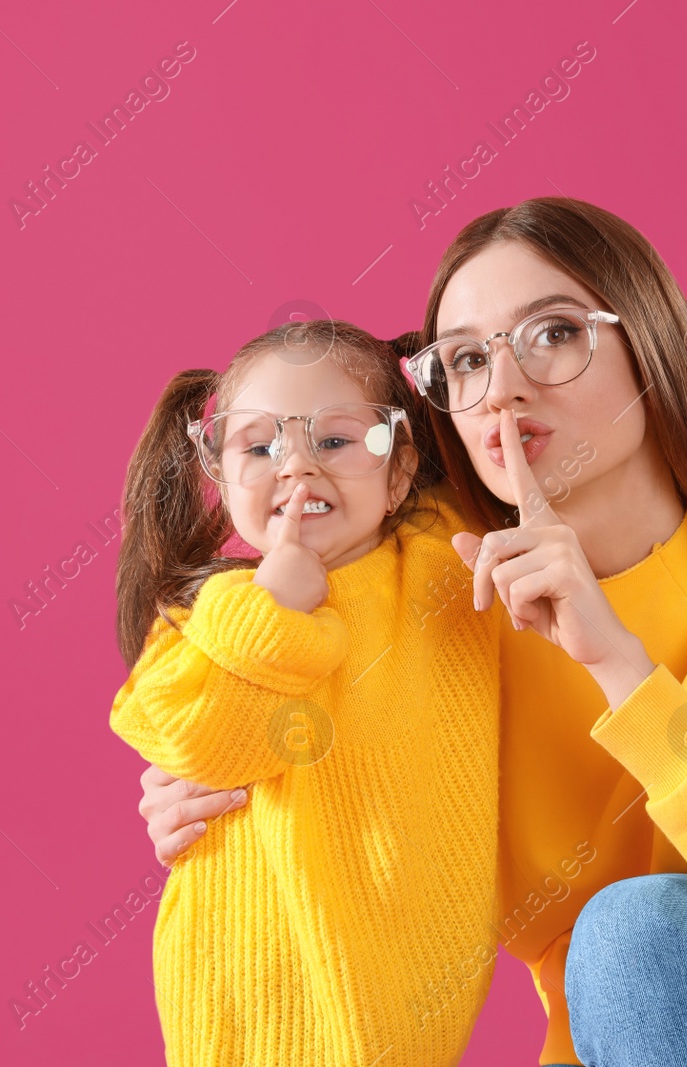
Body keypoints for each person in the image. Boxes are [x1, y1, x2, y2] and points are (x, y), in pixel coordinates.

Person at [137, 198, 687, 1066]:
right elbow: (308, 736)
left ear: (651, 345)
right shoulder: (438, 588)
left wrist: (621, 665)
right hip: (621, 1030)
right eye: (466, 359)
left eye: (552, 334)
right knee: (628, 943)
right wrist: (215, 782)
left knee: (635, 930)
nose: (503, 386)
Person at [109, 320, 500, 1067]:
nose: (295, 468)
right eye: (259, 447)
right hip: (245, 994)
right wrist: (276, 611)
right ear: (220, 475)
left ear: (398, 467)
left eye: (334, 441)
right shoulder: (208, 615)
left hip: (409, 991)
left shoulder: (442, 561)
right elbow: (199, 746)